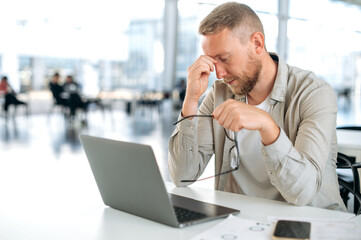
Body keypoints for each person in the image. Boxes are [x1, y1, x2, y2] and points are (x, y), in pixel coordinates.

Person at [168, 2, 346, 211]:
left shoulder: (314, 93)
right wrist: (190, 99)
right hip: (241, 223)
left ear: (257, 43)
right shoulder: (220, 93)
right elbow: (182, 177)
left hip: (308, 222)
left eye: (224, 59)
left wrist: (267, 126)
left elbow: (303, 193)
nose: (220, 74)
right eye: (213, 62)